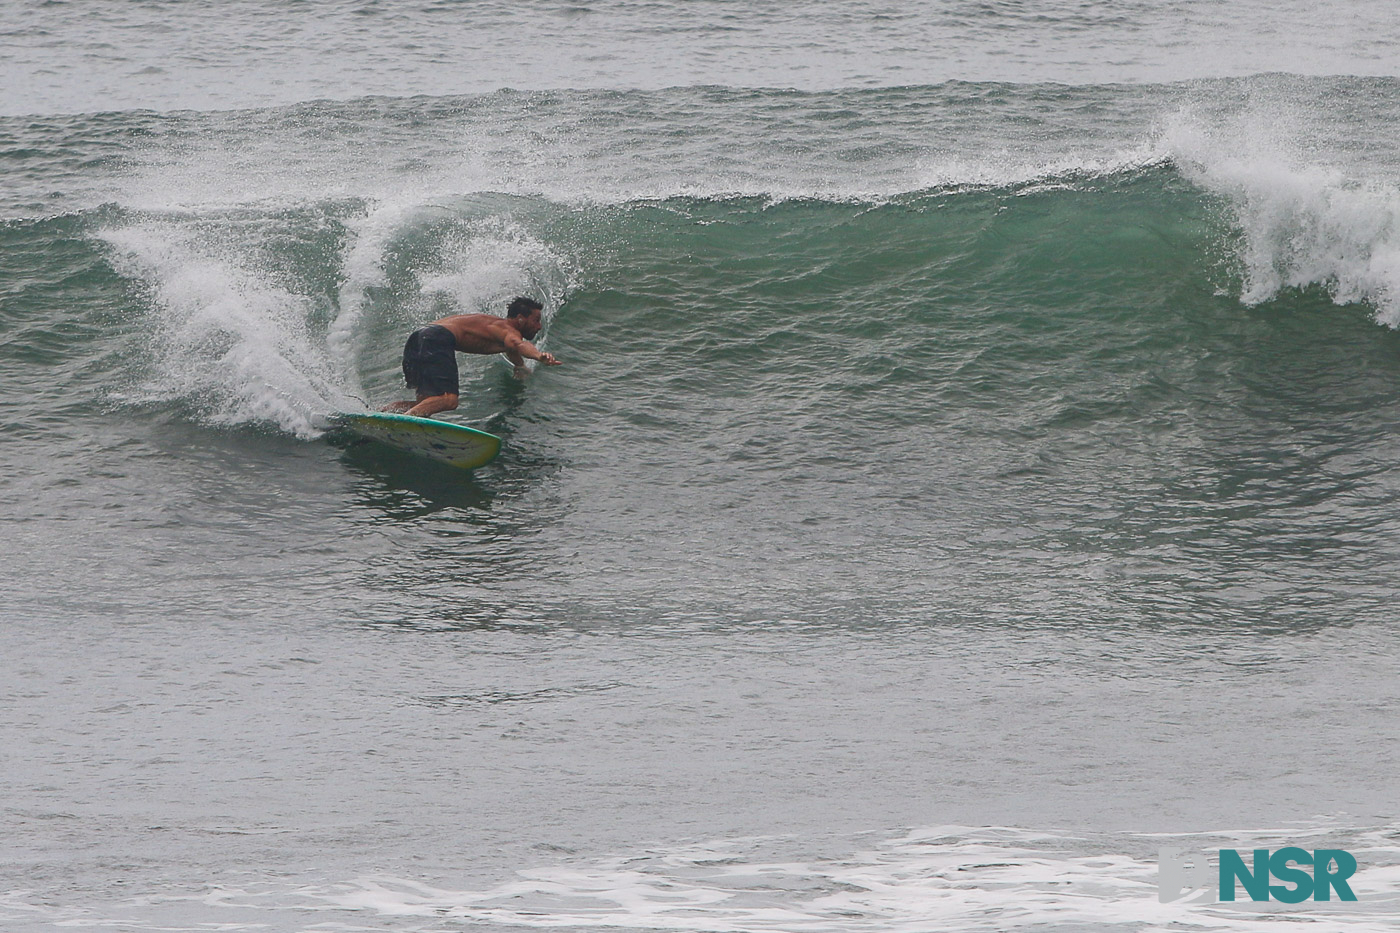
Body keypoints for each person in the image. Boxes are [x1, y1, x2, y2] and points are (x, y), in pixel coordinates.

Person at [382, 296, 561, 417]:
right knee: (449, 400)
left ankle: (381, 413)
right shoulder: (508, 330)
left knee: (426, 403)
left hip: (419, 337)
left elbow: (511, 349)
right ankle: (403, 421)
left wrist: (519, 366)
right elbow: (518, 344)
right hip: (437, 338)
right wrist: (539, 356)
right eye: (536, 320)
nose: (538, 327)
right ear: (521, 318)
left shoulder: (495, 327)